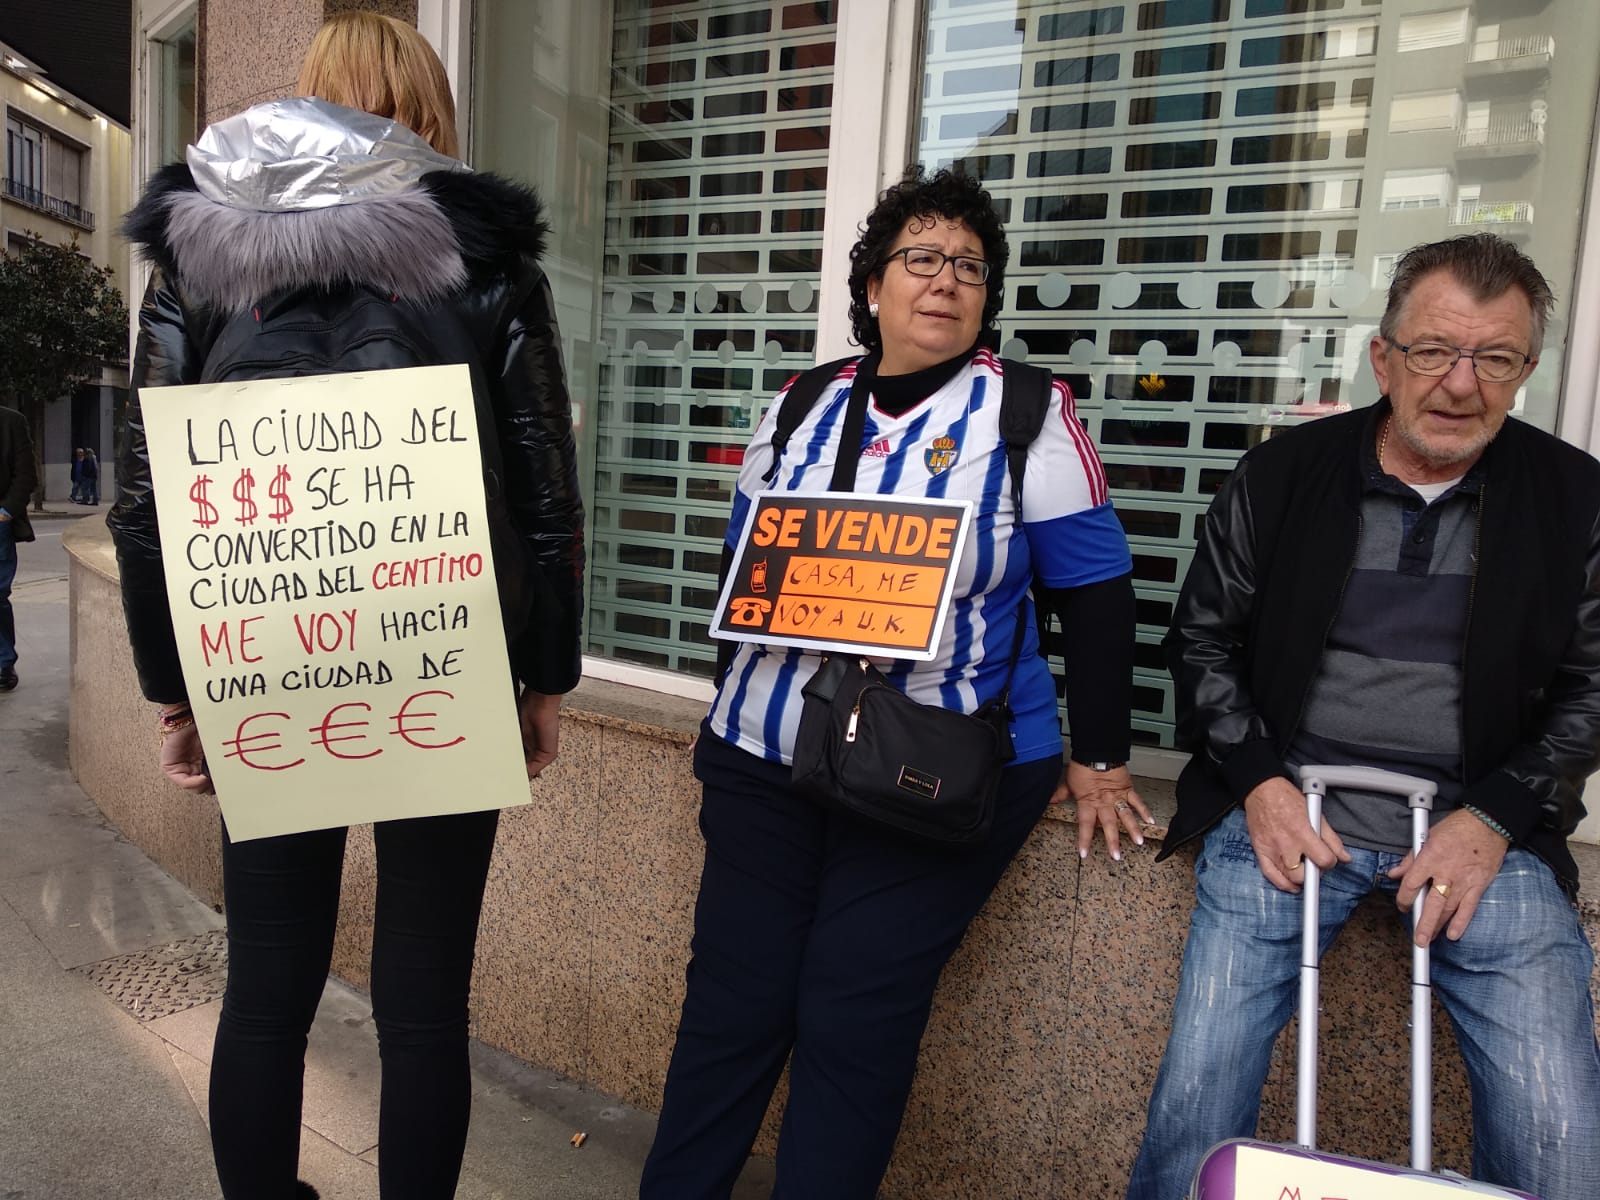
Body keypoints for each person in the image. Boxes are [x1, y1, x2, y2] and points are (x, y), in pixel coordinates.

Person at [109, 12, 584, 1199]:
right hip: (445, 650)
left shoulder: (197, 259)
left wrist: (180, 691)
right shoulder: (486, 257)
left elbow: (145, 506)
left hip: (267, 652)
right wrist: (545, 680)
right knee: (424, 1002)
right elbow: (545, 486)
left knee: (267, 990)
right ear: (428, 112)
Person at [640, 166, 1149, 1199]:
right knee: (731, 1008)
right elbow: (747, 569)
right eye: (920, 257)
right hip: (762, 757)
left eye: (968, 265)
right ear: (871, 283)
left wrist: (1098, 759)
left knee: (850, 1018)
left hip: (933, 769)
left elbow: (1098, 601)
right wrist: (717, 707)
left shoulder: (1026, 417)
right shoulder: (801, 403)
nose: (945, 279)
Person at [1127, 233, 1600, 1200]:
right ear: (1382, 358)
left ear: (1526, 371)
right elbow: (1202, 643)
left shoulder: (1577, 499)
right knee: (1197, 1095)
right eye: (1432, 351)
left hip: (1485, 833)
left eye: (1495, 358)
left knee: (1562, 1135)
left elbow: (1597, 686)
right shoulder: (1283, 474)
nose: (1461, 384)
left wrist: (1500, 814)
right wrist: (1258, 783)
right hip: (1289, 818)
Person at [0, 404, 37, 692]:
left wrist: (7, 511)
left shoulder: (12, 421)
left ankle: (3, 663)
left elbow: (26, 474)